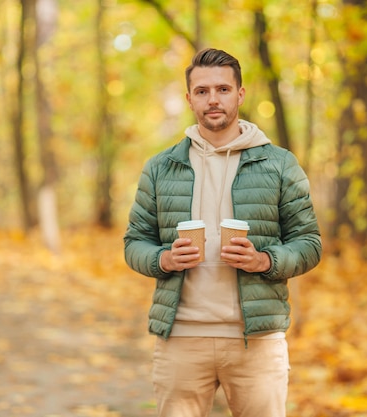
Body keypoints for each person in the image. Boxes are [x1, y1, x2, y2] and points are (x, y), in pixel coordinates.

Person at [123, 48, 322, 417]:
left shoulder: (279, 164)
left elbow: (309, 243)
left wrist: (265, 260)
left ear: (240, 94)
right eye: (202, 91)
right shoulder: (161, 167)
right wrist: (162, 258)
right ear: (189, 99)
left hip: (257, 341)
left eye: (223, 89)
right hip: (181, 338)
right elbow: (134, 242)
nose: (212, 99)